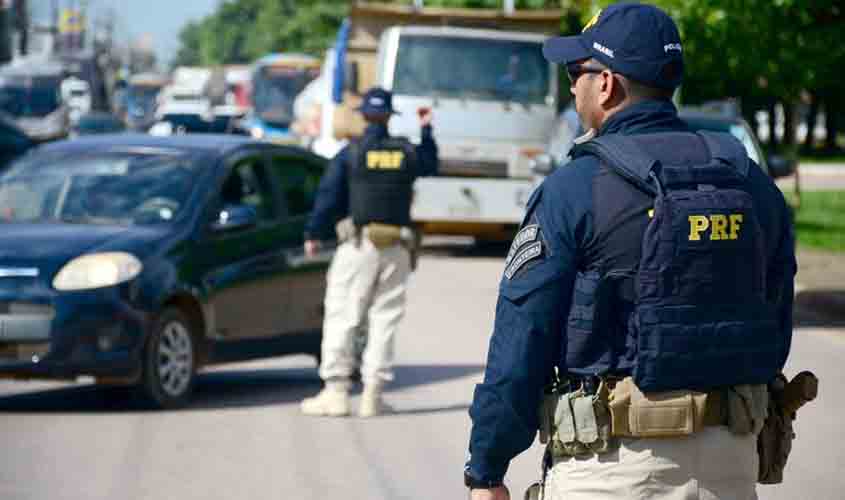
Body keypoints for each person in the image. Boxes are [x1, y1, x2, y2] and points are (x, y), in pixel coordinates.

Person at [464, 4, 796, 500]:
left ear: (607, 84)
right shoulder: (749, 181)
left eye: (577, 72)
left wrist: (487, 469)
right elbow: (775, 322)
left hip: (613, 469)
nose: (572, 85)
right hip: (731, 463)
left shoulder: (574, 189)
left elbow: (521, 343)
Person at [300, 87, 438, 418]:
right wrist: (427, 129)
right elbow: (431, 163)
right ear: (390, 117)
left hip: (358, 247)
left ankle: (335, 393)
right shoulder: (406, 152)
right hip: (397, 248)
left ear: (363, 116)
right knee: (384, 319)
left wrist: (313, 234)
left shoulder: (351, 154)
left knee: (344, 315)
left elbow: (328, 198)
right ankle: (372, 397)